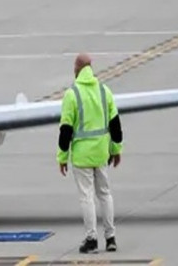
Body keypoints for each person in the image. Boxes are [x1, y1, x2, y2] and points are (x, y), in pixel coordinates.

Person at [57, 53, 123, 254]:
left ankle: (91, 239)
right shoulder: (104, 91)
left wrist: (62, 157)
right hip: (102, 153)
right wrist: (116, 150)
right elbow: (116, 126)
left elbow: (65, 130)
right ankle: (110, 238)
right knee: (105, 193)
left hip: (82, 156)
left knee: (87, 197)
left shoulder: (72, 94)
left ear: (77, 69)